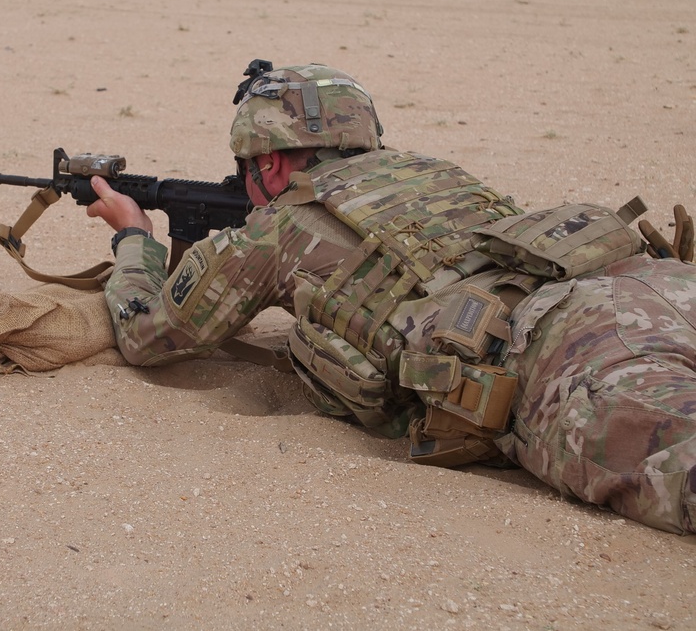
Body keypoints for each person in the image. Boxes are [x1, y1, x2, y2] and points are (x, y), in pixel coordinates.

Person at [84, 60, 696, 535]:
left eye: (245, 167)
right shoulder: (434, 170)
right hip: (655, 285)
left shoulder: (278, 228)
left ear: (267, 164)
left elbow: (148, 335)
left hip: (566, 356)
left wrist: (135, 238)